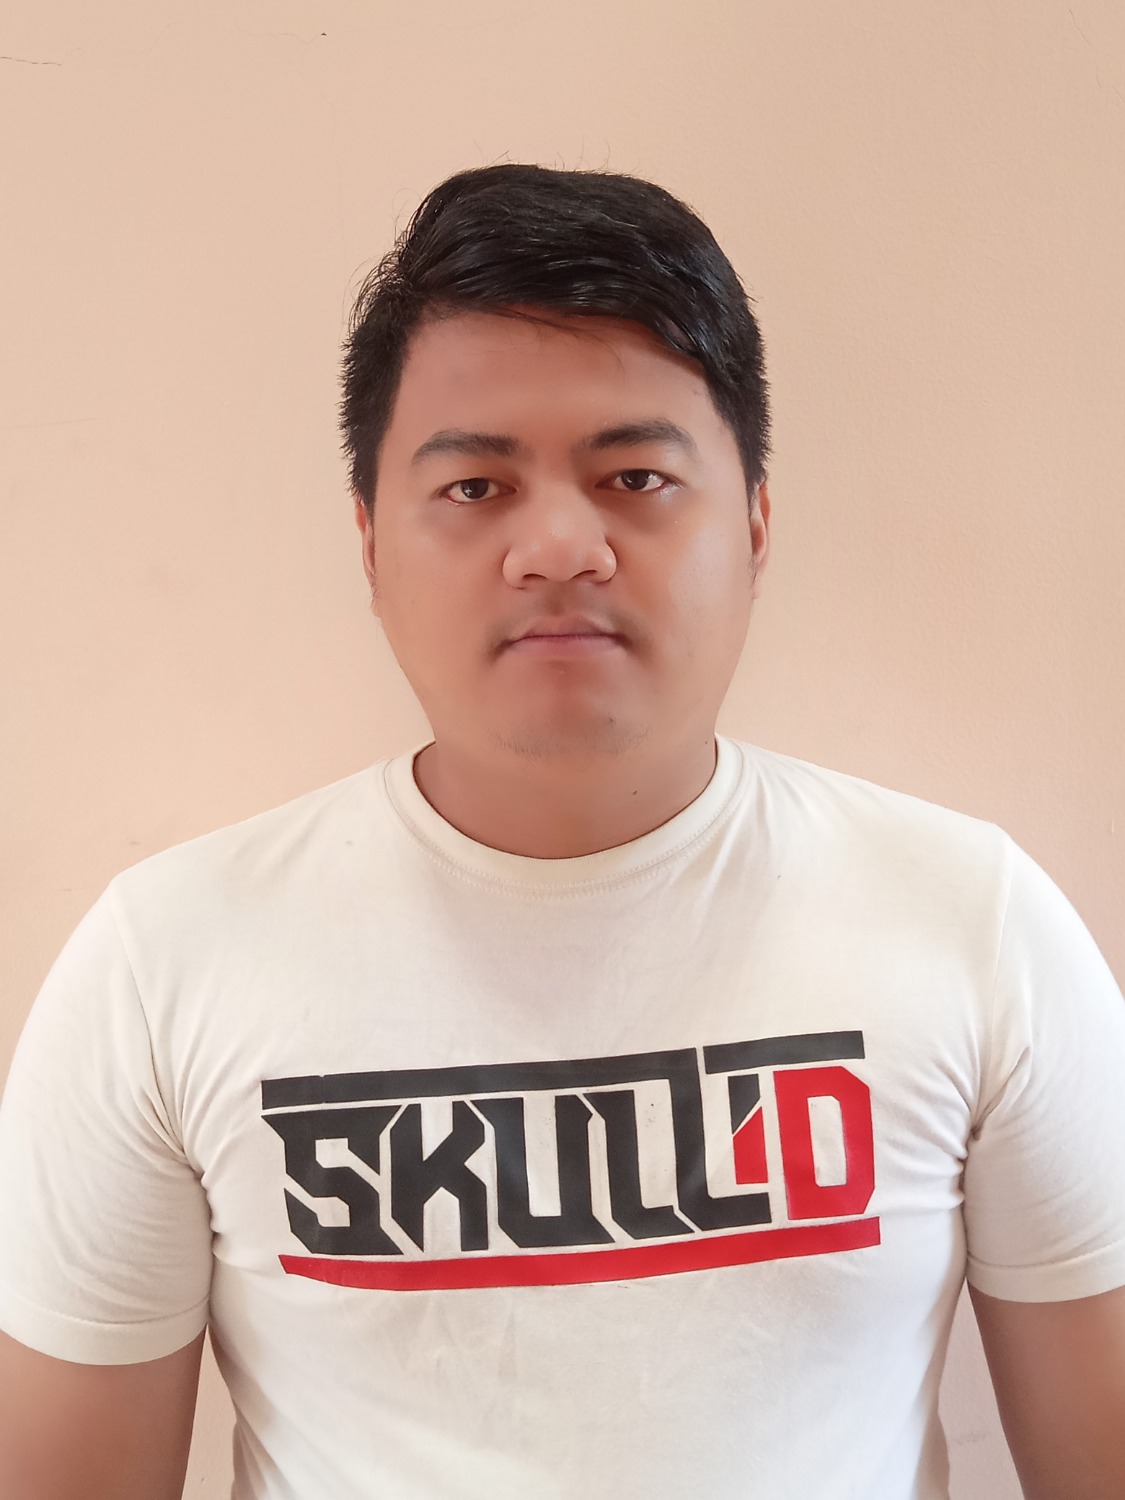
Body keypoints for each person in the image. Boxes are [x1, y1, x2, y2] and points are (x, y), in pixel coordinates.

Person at [1, 163, 1124, 1500]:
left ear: (755, 525)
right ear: (370, 546)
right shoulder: (163, 961)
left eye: (635, 475)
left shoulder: (972, 921)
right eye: (475, 487)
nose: (558, 547)